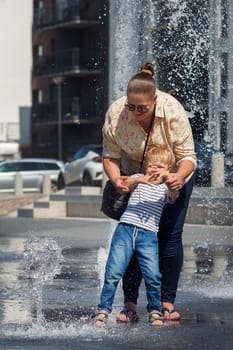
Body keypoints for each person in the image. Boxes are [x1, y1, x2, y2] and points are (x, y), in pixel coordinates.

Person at [102, 62, 196, 322]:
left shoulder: (173, 110)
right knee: (134, 234)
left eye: (141, 108)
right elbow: (110, 155)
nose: (135, 113)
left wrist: (177, 177)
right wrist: (116, 180)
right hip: (137, 178)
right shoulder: (117, 113)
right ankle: (130, 305)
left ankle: (166, 302)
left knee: (169, 236)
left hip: (174, 174)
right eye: (131, 106)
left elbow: (188, 157)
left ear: (155, 100)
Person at [95, 145, 179, 326]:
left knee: (152, 275)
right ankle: (103, 310)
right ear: (145, 165)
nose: (154, 169)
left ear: (168, 169)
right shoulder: (138, 178)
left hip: (147, 235)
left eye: (160, 166)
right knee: (113, 272)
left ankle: (155, 310)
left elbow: (175, 193)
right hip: (125, 229)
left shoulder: (166, 187)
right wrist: (141, 180)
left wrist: (166, 177)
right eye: (151, 165)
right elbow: (124, 185)